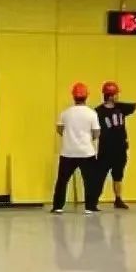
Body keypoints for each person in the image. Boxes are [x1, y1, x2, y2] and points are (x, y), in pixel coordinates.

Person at [94, 81, 136, 210]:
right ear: (110, 96)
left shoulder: (121, 107)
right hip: (105, 151)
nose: (118, 96)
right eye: (116, 94)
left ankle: (118, 200)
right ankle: (93, 200)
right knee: (99, 176)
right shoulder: (98, 112)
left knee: (118, 176)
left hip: (120, 149)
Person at [52, 82, 101, 214]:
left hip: (68, 152)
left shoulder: (65, 113)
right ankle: (90, 207)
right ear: (86, 97)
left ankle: (57, 206)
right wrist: (88, 139)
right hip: (87, 152)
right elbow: (96, 133)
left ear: (73, 97)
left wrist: (69, 137)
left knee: (62, 181)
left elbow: (59, 129)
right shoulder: (91, 113)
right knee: (90, 181)